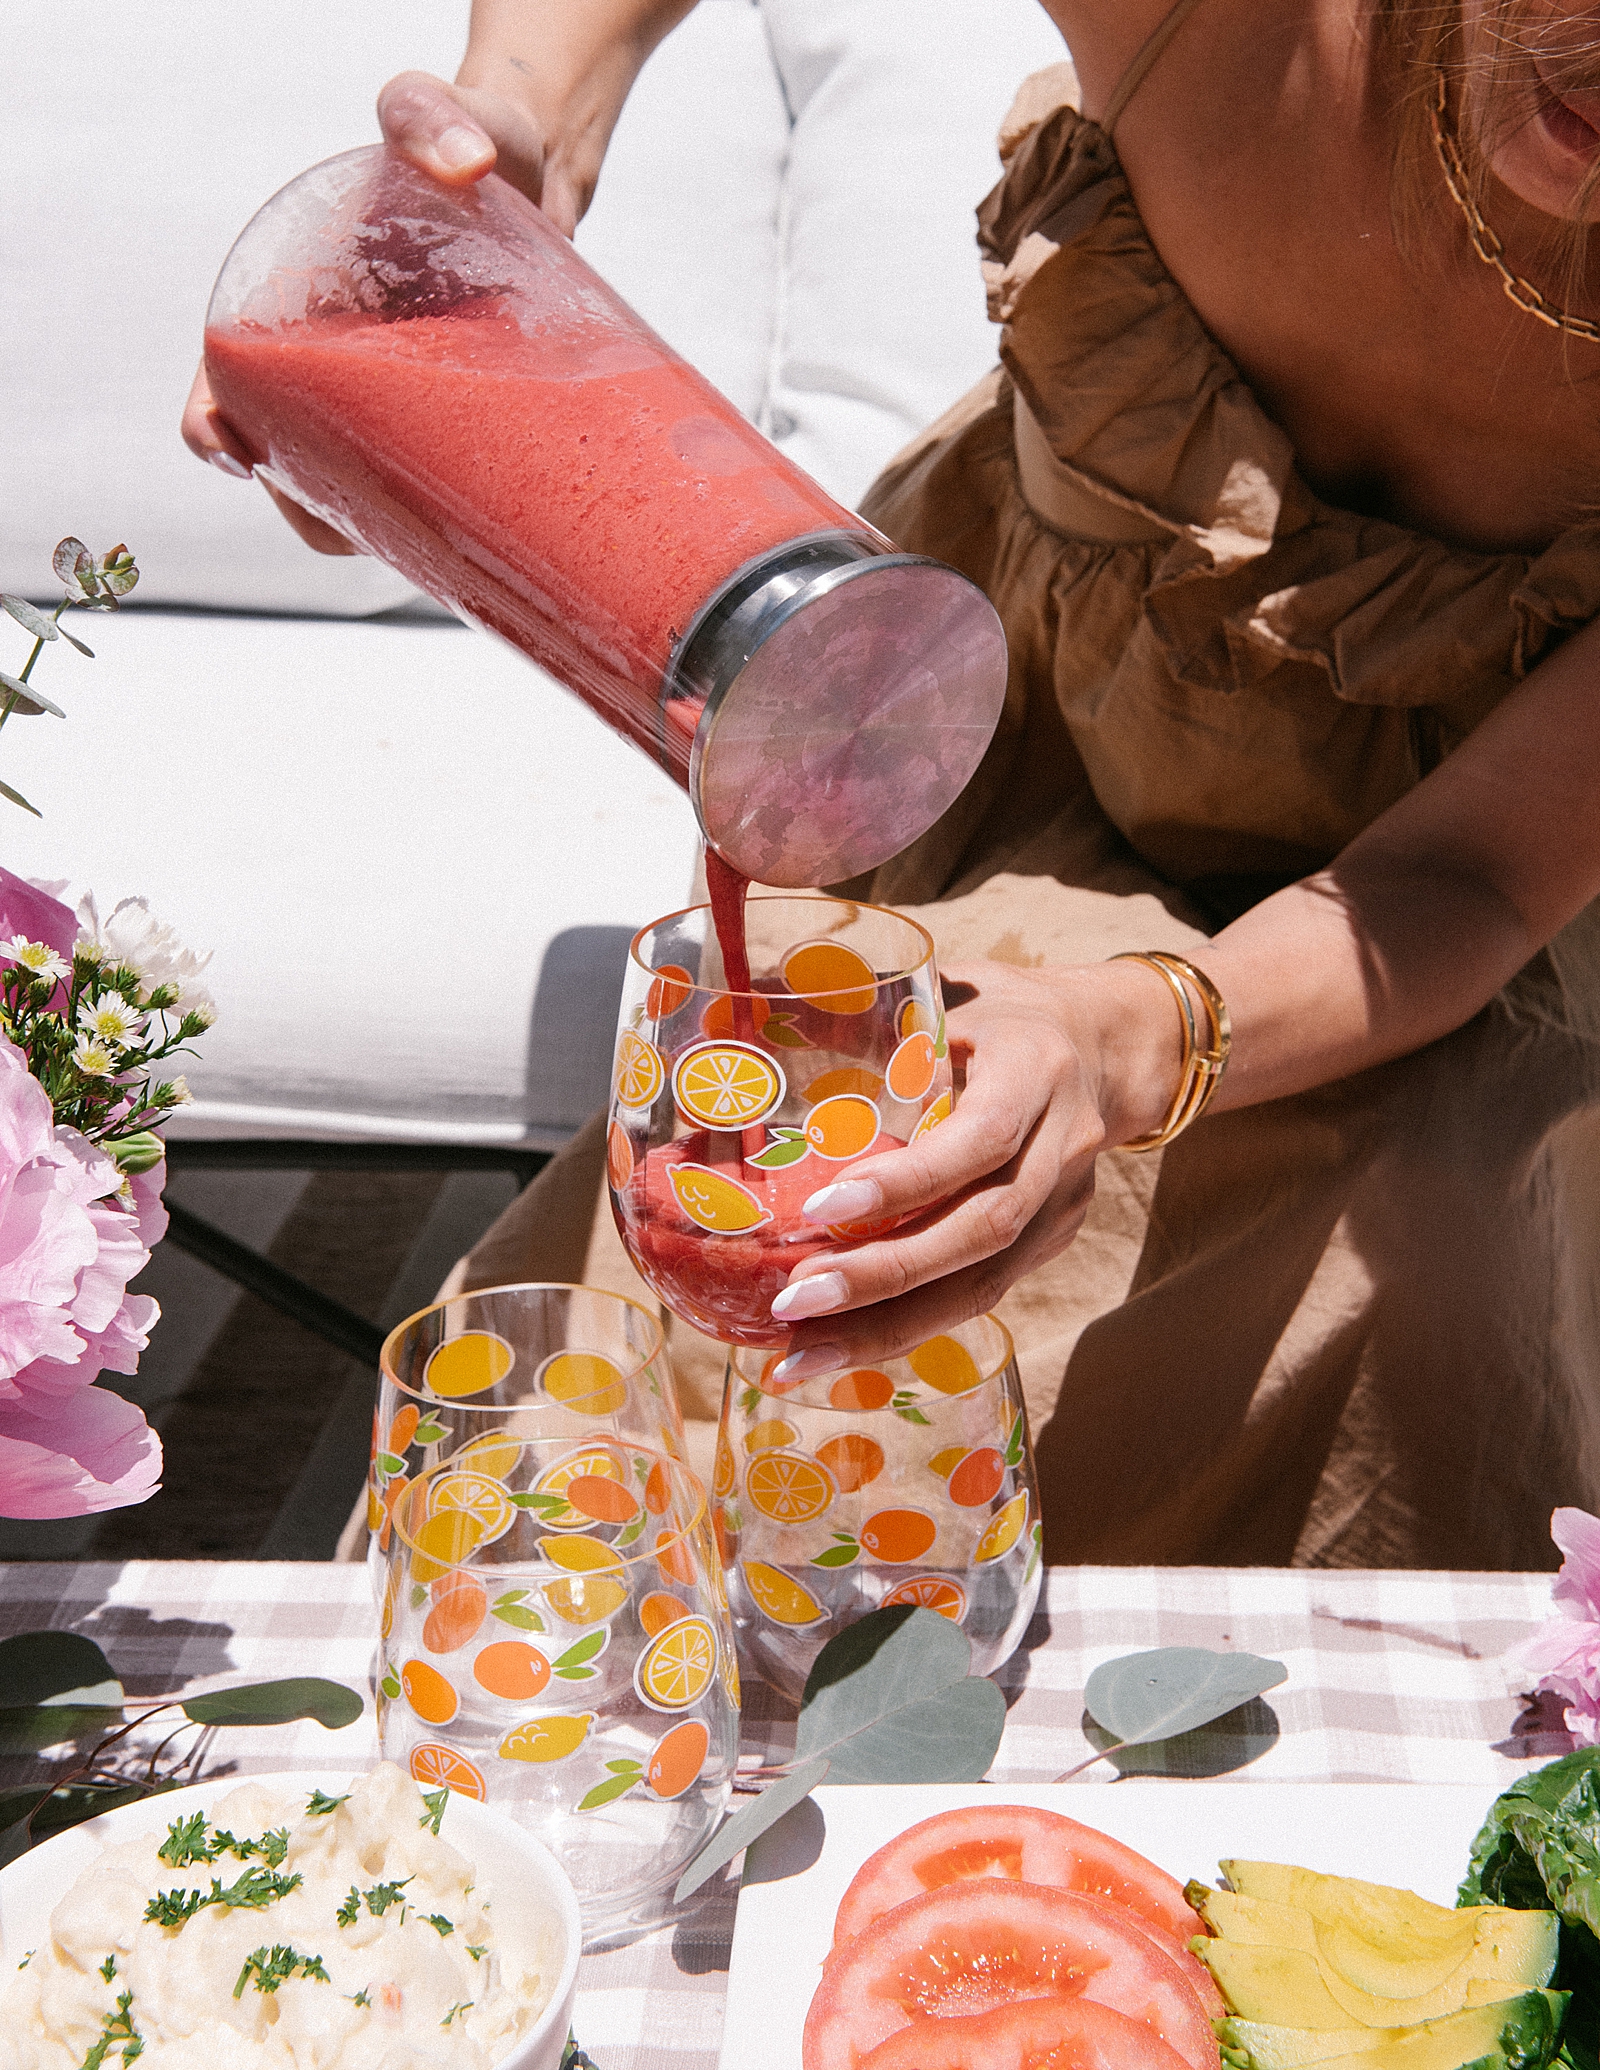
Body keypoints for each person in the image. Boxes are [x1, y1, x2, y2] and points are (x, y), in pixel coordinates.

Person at [184, 1, 1600, 1569]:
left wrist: (1125, 1035)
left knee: (1416, 1257)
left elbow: (1466, 879)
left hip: (1469, 911)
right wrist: (524, 118)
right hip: (969, 736)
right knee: (775, 1222)